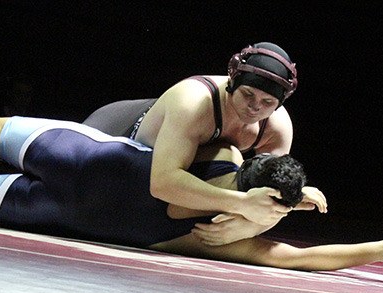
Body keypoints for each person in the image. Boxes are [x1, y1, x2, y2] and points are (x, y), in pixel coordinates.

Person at [0, 116, 383, 271]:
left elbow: (256, 168)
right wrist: (373, 249)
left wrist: (296, 190)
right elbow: (295, 257)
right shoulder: (208, 235)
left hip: (92, 158)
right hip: (54, 211)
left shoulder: (225, 157)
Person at [82, 42, 326, 235]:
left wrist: (250, 226)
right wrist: (241, 204)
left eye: (267, 102)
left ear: (280, 103)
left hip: (167, 173)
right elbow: (162, 184)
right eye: (248, 94)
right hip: (110, 135)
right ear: (232, 82)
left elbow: (273, 192)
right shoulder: (194, 102)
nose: (254, 107)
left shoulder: (277, 126)